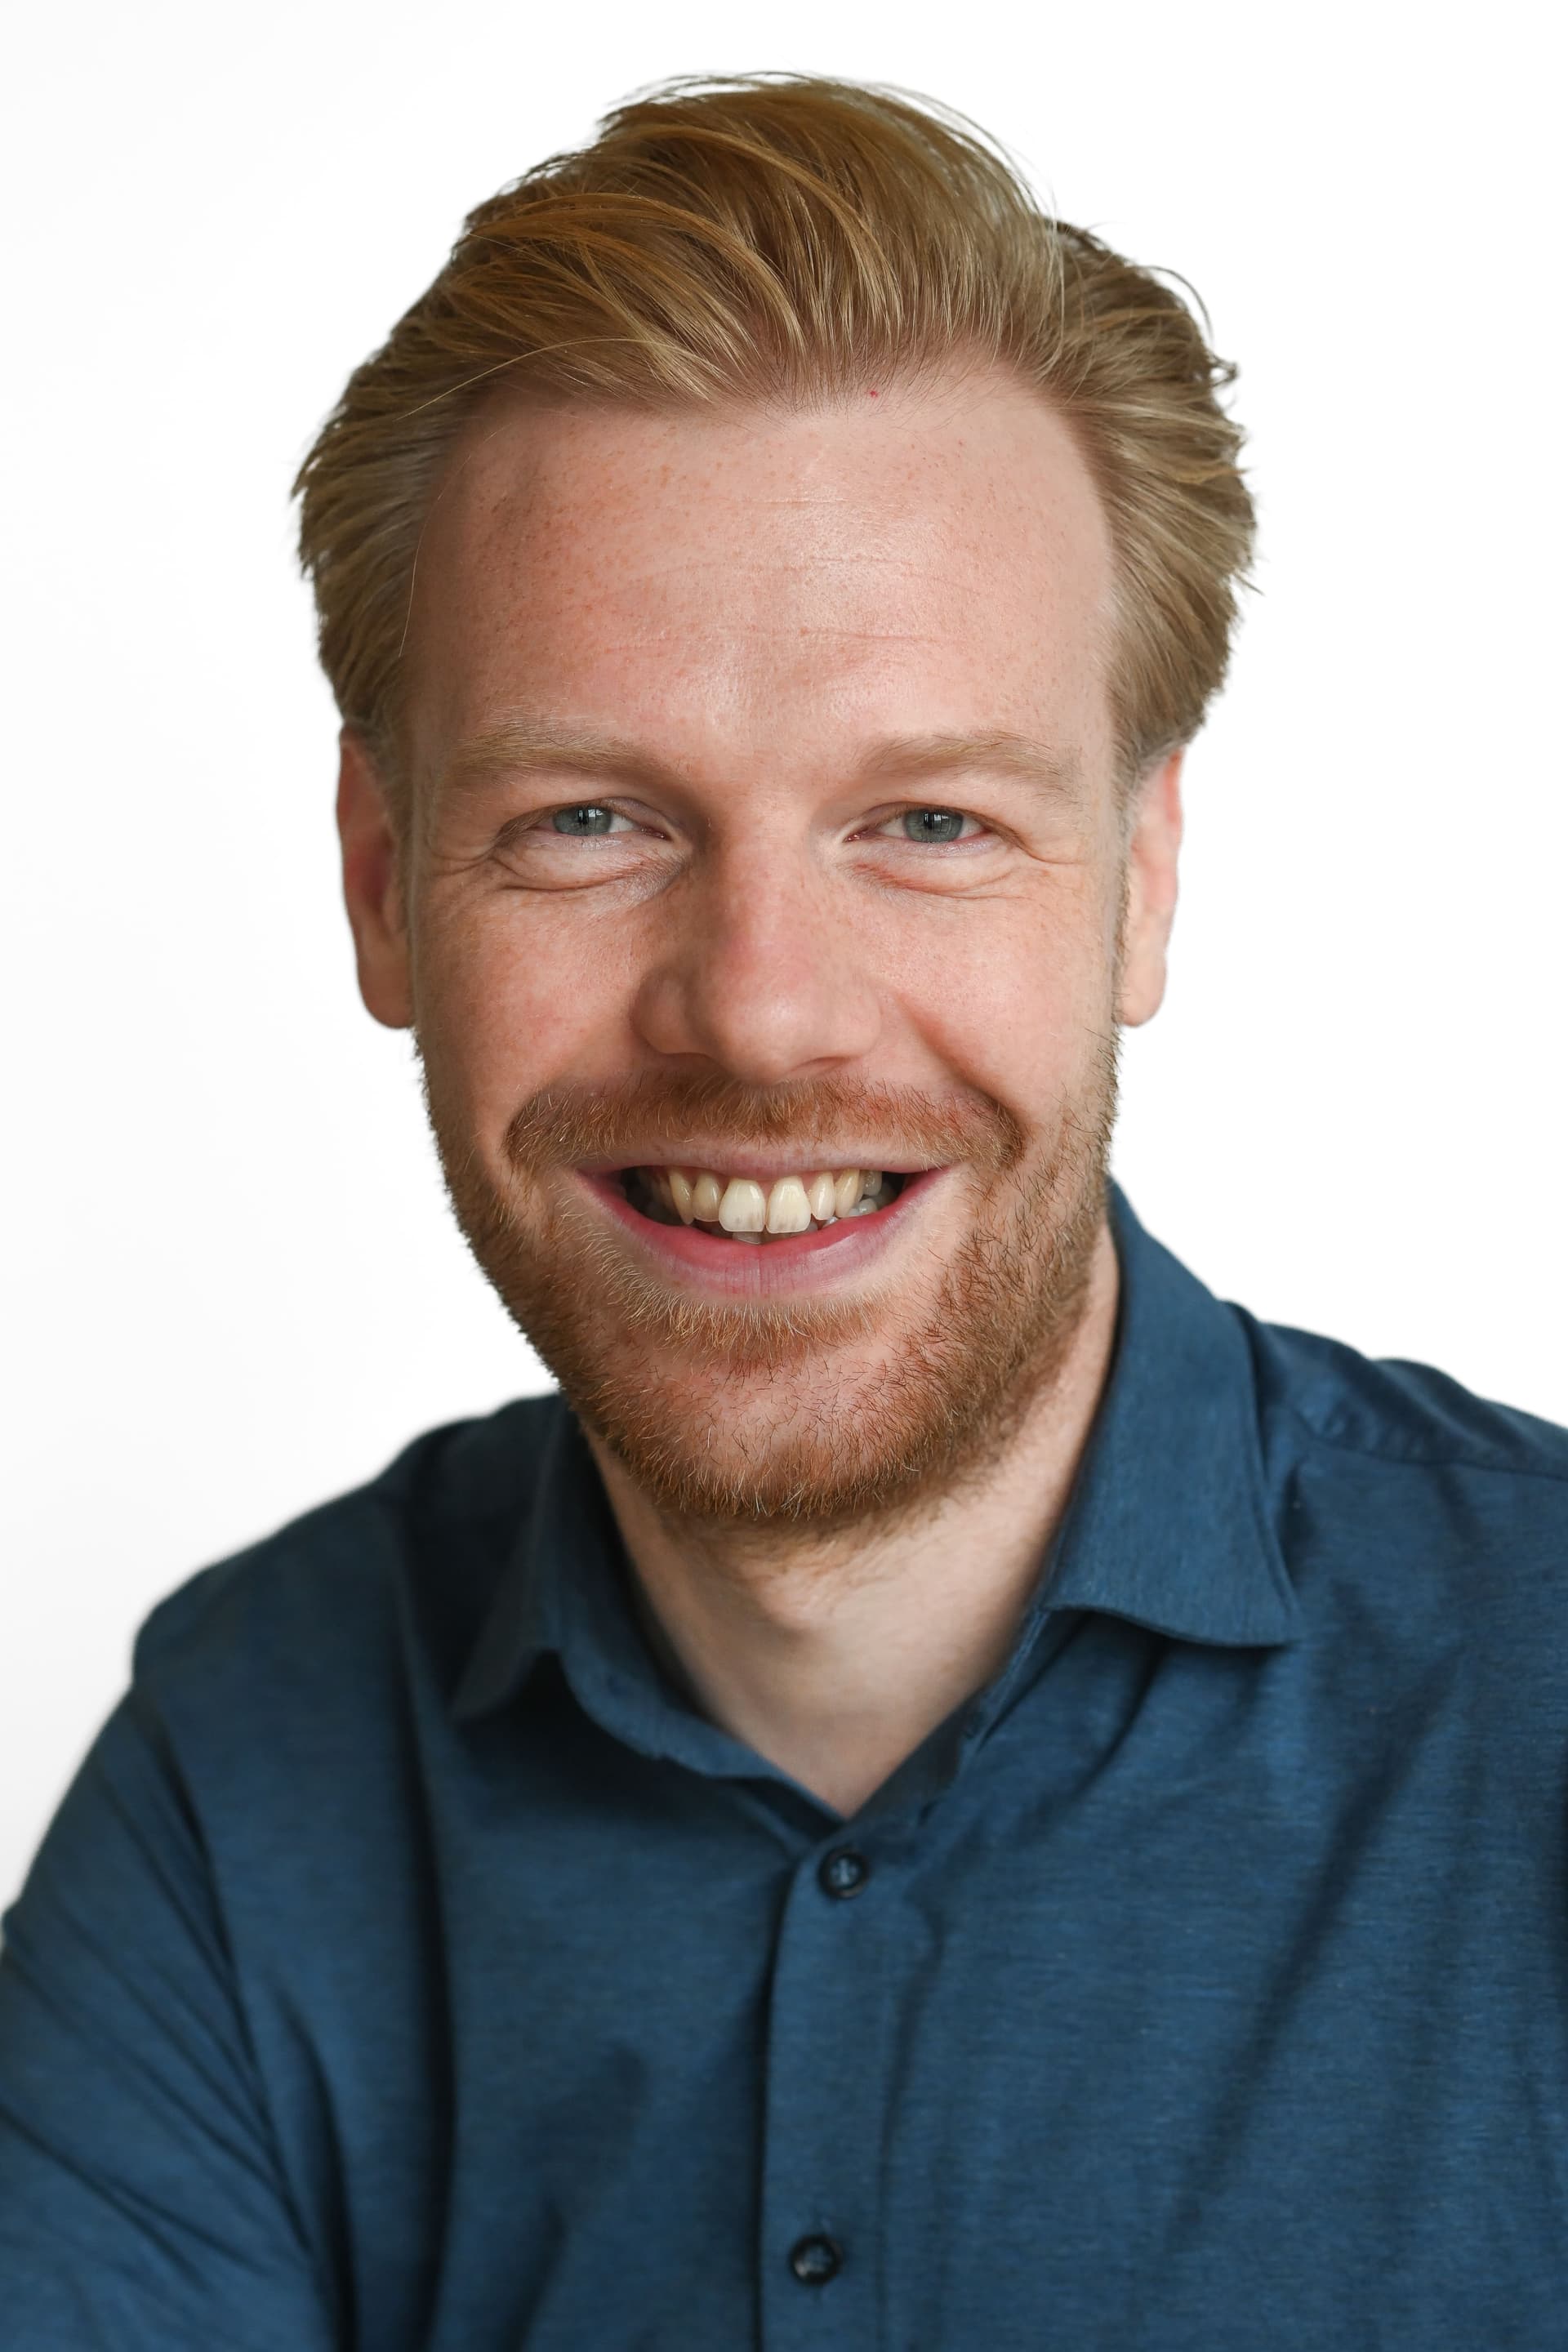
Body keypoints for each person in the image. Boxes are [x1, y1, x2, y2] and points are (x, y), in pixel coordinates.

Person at [2, 70, 1564, 2351]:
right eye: (589, 820)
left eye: (927, 823)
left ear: (1138, 885)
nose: (759, 1010)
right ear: (383, 884)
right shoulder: (246, 1770)